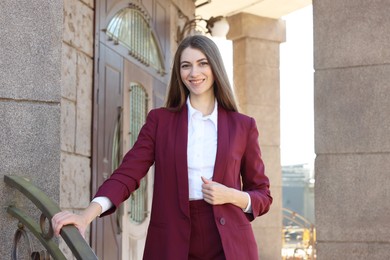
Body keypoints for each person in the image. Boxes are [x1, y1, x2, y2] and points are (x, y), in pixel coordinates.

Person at [52, 35, 272, 260]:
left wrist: (231, 195)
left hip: (229, 246)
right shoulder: (161, 121)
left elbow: (263, 194)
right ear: (179, 73)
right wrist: (86, 216)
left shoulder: (243, 126)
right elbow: (128, 174)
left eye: (202, 63)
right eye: (186, 66)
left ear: (215, 66)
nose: (194, 73)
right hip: (172, 243)